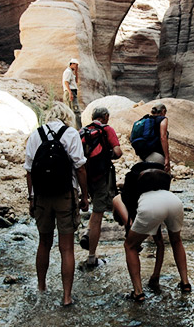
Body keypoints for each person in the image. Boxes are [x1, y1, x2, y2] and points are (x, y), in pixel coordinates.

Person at [24, 104, 89, 306]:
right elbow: (80, 168)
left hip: (42, 196)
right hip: (65, 195)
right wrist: (84, 196)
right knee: (67, 248)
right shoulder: (70, 133)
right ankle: (67, 297)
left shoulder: (36, 134)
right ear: (66, 117)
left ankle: (41, 288)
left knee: (44, 243)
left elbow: (29, 171)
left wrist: (31, 198)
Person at [119, 168, 191, 302]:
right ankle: (185, 283)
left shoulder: (133, 195)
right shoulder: (165, 190)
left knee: (130, 246)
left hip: (151, 208)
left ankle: (138, 292)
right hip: (174, 202)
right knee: (176, 241)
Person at [79, 107, 123, 268]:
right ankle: (92, 257)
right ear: (105, 117)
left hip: (84, 177)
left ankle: (87, 232)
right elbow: (118, 152)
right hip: (101, 177)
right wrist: (106, 155)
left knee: (95, 207)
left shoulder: (82, 131)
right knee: (98, 213)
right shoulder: (106, 129)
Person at [141, 103, 170, 173]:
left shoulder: (146, 119)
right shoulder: (163, 119)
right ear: (163, 111)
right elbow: (163, 137)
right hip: (157, 156)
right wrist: (167, 157)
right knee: (162, 181)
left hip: (142, 156)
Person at [62, 58, 82, 129]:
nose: (77, 67)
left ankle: (74, 127)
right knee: (75, 110)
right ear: (72, 64)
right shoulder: (68, 72)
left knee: (73, 110)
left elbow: (76, 81)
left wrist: (76, 72)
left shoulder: (71, 72)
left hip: (71, 91)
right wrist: (70, 93)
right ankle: (77, 128)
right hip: (70, 91)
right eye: (76, 65)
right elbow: (66, 82)